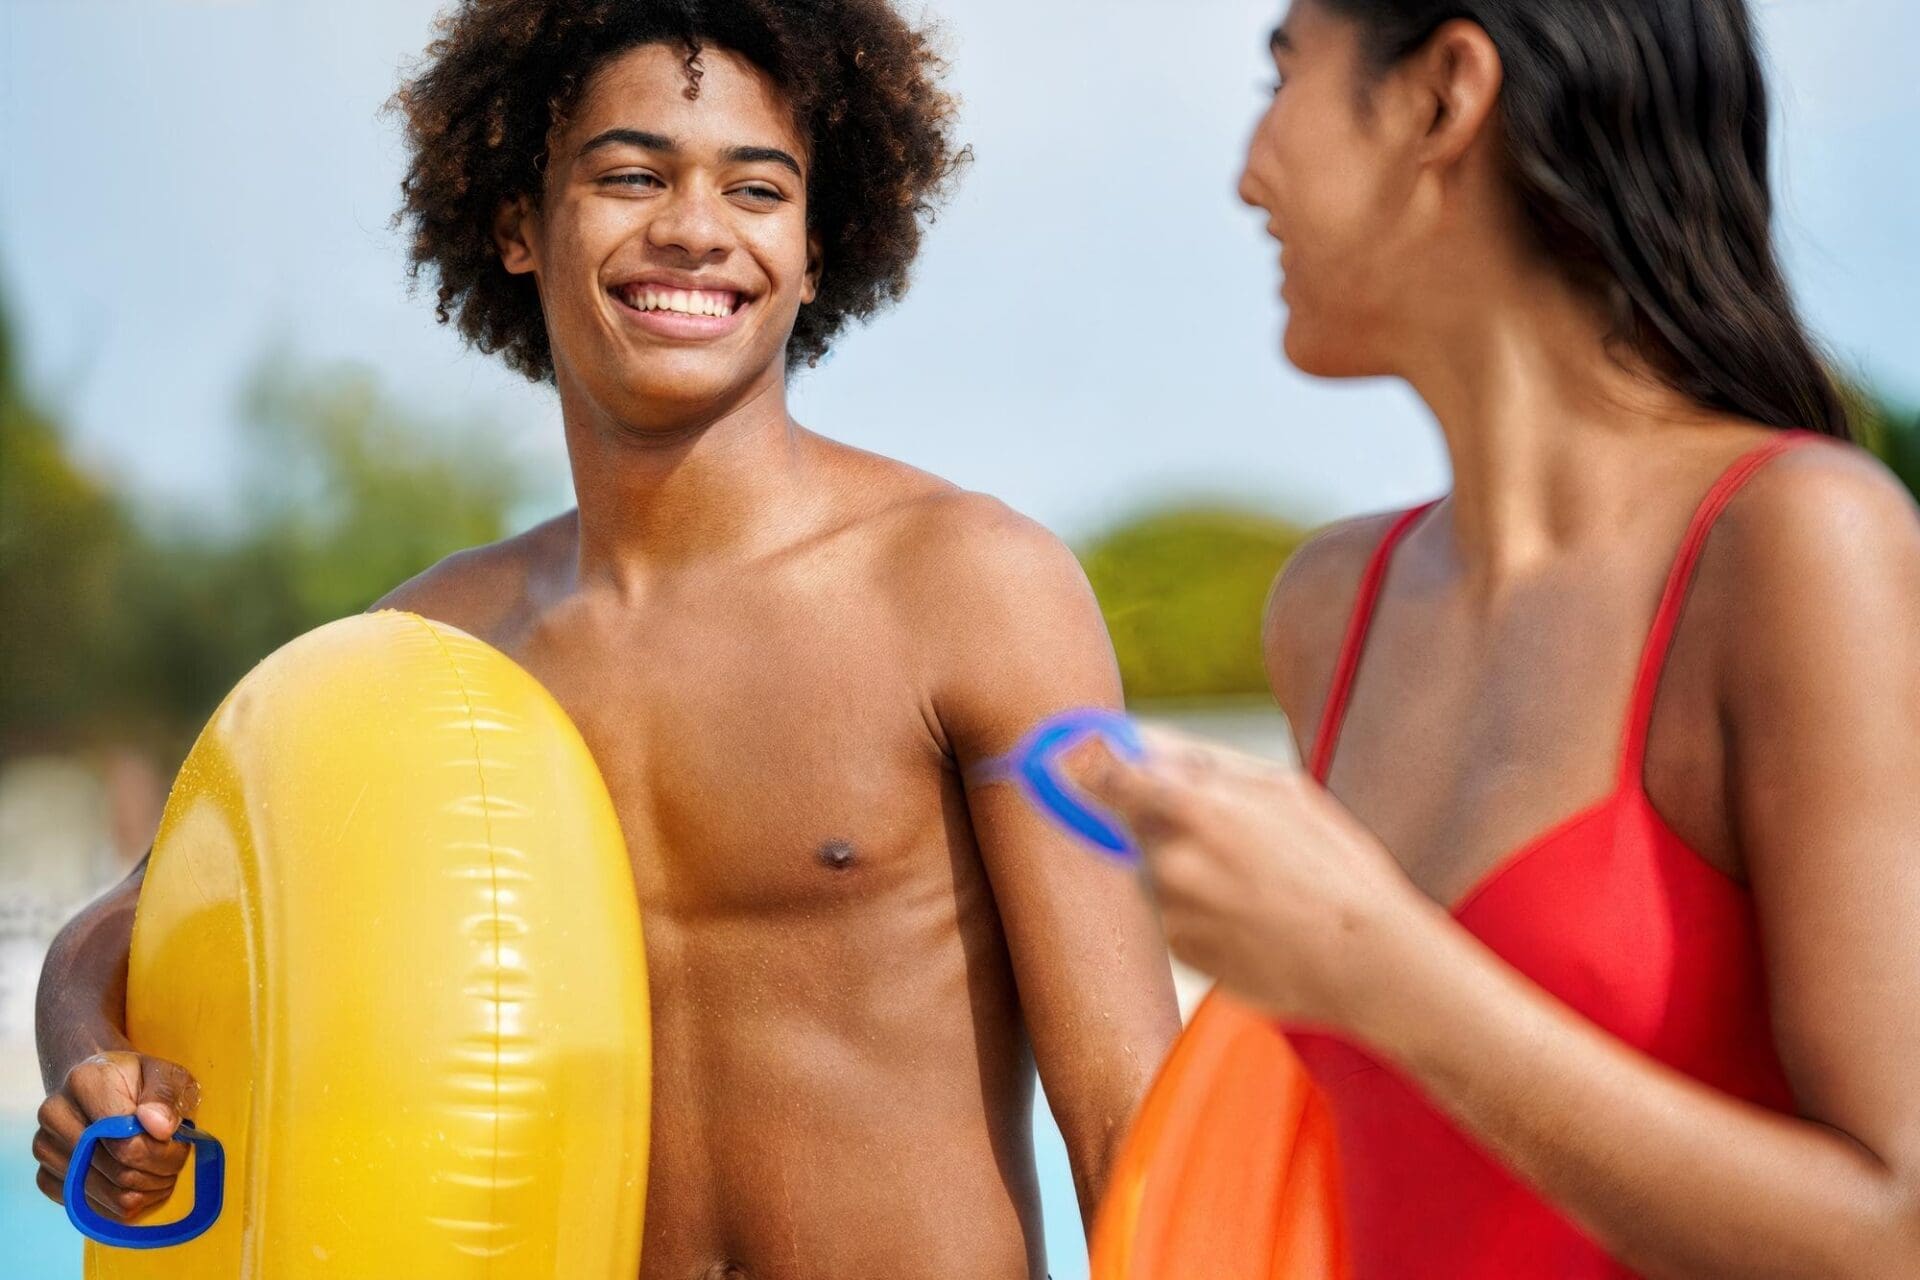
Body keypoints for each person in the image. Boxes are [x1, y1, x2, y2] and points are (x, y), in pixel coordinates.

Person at [31, 4, 1180, 1275]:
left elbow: (1129, 1105)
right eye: (633, 174)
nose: (696, 227)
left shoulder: (967, 585)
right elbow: (128, 920)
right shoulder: (431, 648)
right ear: (518, 224)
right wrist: (91, 1061)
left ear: (814, 247)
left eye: (758, 187)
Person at [1066, 1, 1920, 1276]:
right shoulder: (1331, 607)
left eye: (1284, 71)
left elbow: (1894, 1230)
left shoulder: (1792, 543)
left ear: (1444, 96)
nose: (1250, 173)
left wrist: (1379, 970)